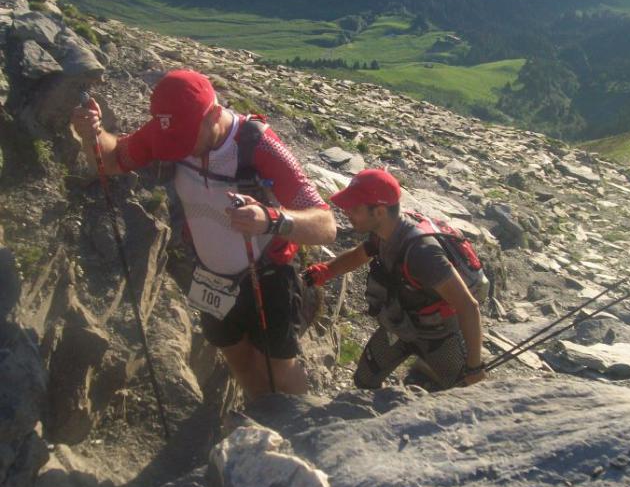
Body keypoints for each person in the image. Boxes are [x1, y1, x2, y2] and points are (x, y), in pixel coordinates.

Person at [71, 69, 336, 398]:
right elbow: (112, 159)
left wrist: (271, 219)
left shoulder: (260, 146)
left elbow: (327, 226)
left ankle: (301, 431)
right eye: (174, 141)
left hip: (267, 276)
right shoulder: (169, 130)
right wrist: (93, 134)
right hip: (210, 275)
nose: (182, 150)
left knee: (280, 368)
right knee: (238, 360)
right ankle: (260, 420)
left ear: (213, 114)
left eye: (186, 140)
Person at [304, 169, 485, 390]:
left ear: (379, 211)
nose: (347, 212)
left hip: (438, 336)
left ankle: (427, 374)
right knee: (364, 381)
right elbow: (359, 254)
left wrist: (475, 367)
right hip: (399, 326)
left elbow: (468, 306)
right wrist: (325, 272)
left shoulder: (423, 253)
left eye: (355, 208)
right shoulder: (384, 233)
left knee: (463, 392)